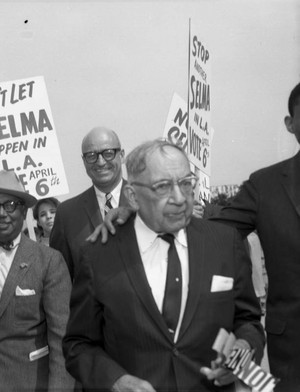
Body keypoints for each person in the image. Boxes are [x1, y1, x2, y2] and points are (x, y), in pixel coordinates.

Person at [63, 139, 265, 392]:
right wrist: (114, 380)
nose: (180, 198)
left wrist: (240, 357)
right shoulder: (98, 257)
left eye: (185, 183)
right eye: (163, 187)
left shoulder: (224, 243)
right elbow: (78, 345)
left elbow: (249, 322)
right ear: (133, 197)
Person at [208, 82, 300, 392]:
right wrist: (135, 217)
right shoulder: (265, 185)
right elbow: (212, 233)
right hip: (292, 352)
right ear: (290, 124)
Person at [0, 170, 74, 392]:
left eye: (10, 205)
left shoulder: (48, 261)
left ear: (24, 211)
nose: (1, 213)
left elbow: (62, 341)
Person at [50, 126, 128, 279]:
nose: (100, 162)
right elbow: (60, 281)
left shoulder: (146, 203)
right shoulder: (67, 214)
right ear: (83, 160)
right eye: (91, 155)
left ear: (122, 155)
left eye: (108, 153)